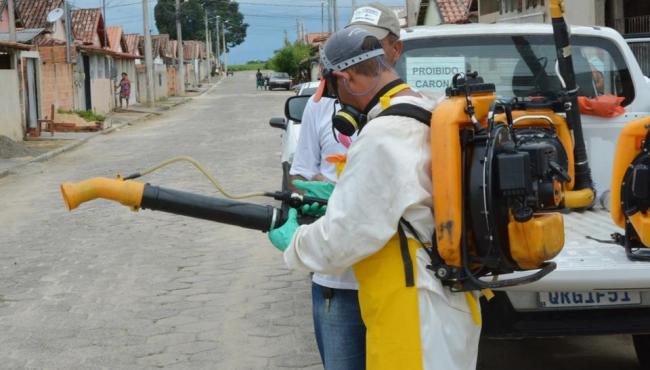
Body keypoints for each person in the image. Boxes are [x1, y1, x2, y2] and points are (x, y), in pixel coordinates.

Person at [269, 27, 480, 370]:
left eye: (336, 91)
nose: (339, 103)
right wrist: (342, 194)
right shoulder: (424, 106)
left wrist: (294, 241)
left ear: (346, 77)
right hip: (445, 299)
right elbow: (408, 198)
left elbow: (342, 239)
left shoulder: (384, 133)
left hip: (412, 310)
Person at [287, 4, 405, 369]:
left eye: (371, 43)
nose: (360, 50)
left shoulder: (409, 110)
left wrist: (349, 198)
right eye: (352, 41)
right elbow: (302, 176)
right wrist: (318, 195)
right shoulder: (322, 107)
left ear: (394, 50)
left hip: (396, 281)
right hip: (338, 282)